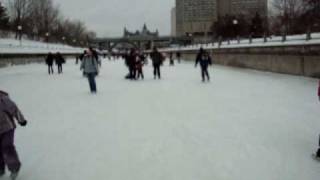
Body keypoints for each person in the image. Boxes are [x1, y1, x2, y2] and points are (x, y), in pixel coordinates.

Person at [0, 90, 27, 180]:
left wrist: (21, 120)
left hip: (7, 127)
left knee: (6, 146)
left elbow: (14, 109)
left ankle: (14, 167)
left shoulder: (3, 99)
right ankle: (0, 168)